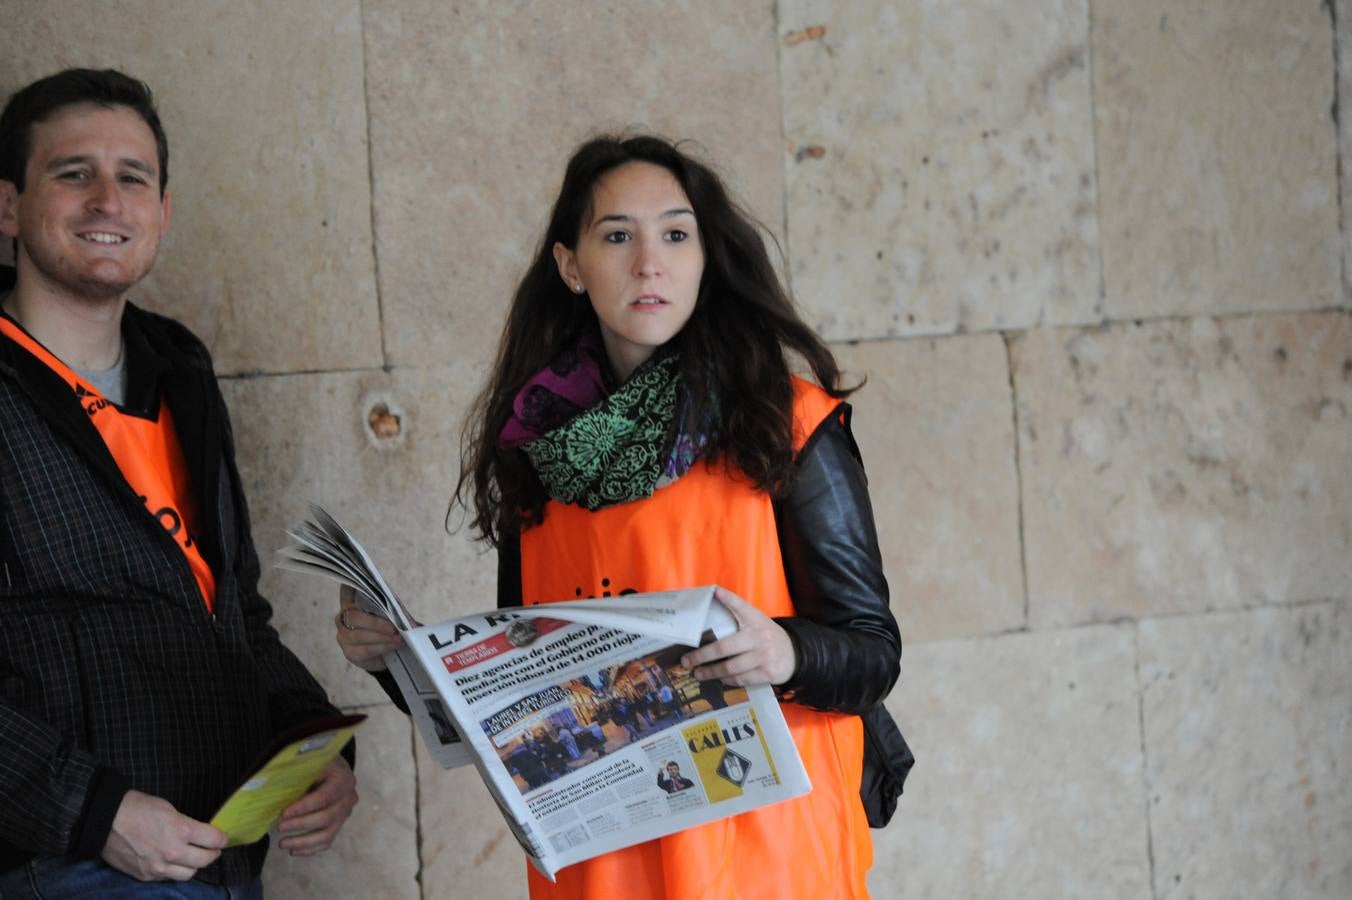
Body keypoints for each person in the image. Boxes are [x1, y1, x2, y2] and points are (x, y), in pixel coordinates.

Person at [335, 134, 900, 899]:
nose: (649, 262)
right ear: (572, 266)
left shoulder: (787, 420)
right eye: (616, 236)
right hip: (602, 864)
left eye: (675, 234)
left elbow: (872, 650)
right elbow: (525, 698)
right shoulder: (538, 453)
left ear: (707, 257)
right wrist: (397, 663)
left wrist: (785, 653)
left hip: (767, 858)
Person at [0, 68, 358, 897]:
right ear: (9, 207)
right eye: (72, 172)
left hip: (219, 858)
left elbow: (235, 613)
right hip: (60, 866)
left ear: (162, 212)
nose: (107, 200)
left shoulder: (180, 371)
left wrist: (313, 744)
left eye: (134, 178)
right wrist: (93, 811)